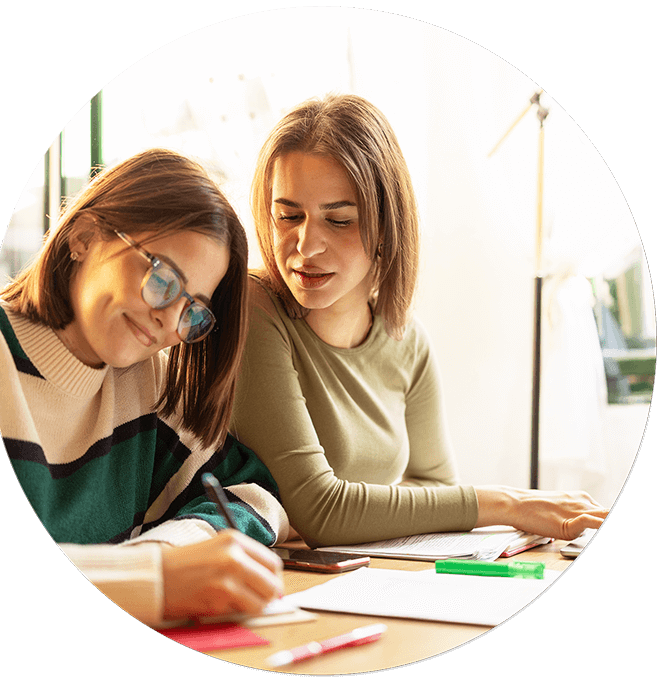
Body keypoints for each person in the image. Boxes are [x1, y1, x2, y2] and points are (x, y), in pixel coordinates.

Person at [230, 93, 607, 548]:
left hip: (366, 573)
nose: (306, 245)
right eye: (288, 216)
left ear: (387, 225)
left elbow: (438, 490)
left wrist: (371, 511)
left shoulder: (404, 338)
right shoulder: (252, 308)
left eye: (340, 220)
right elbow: (320, 510)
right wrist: (511, 503)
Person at [0, 149, 288, 626]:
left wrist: (171, 549)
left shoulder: (150, 382)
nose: (169, 319)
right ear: (83, 238)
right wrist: (157, 577)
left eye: (193, 310)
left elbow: (256, 497)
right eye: (162, 277)